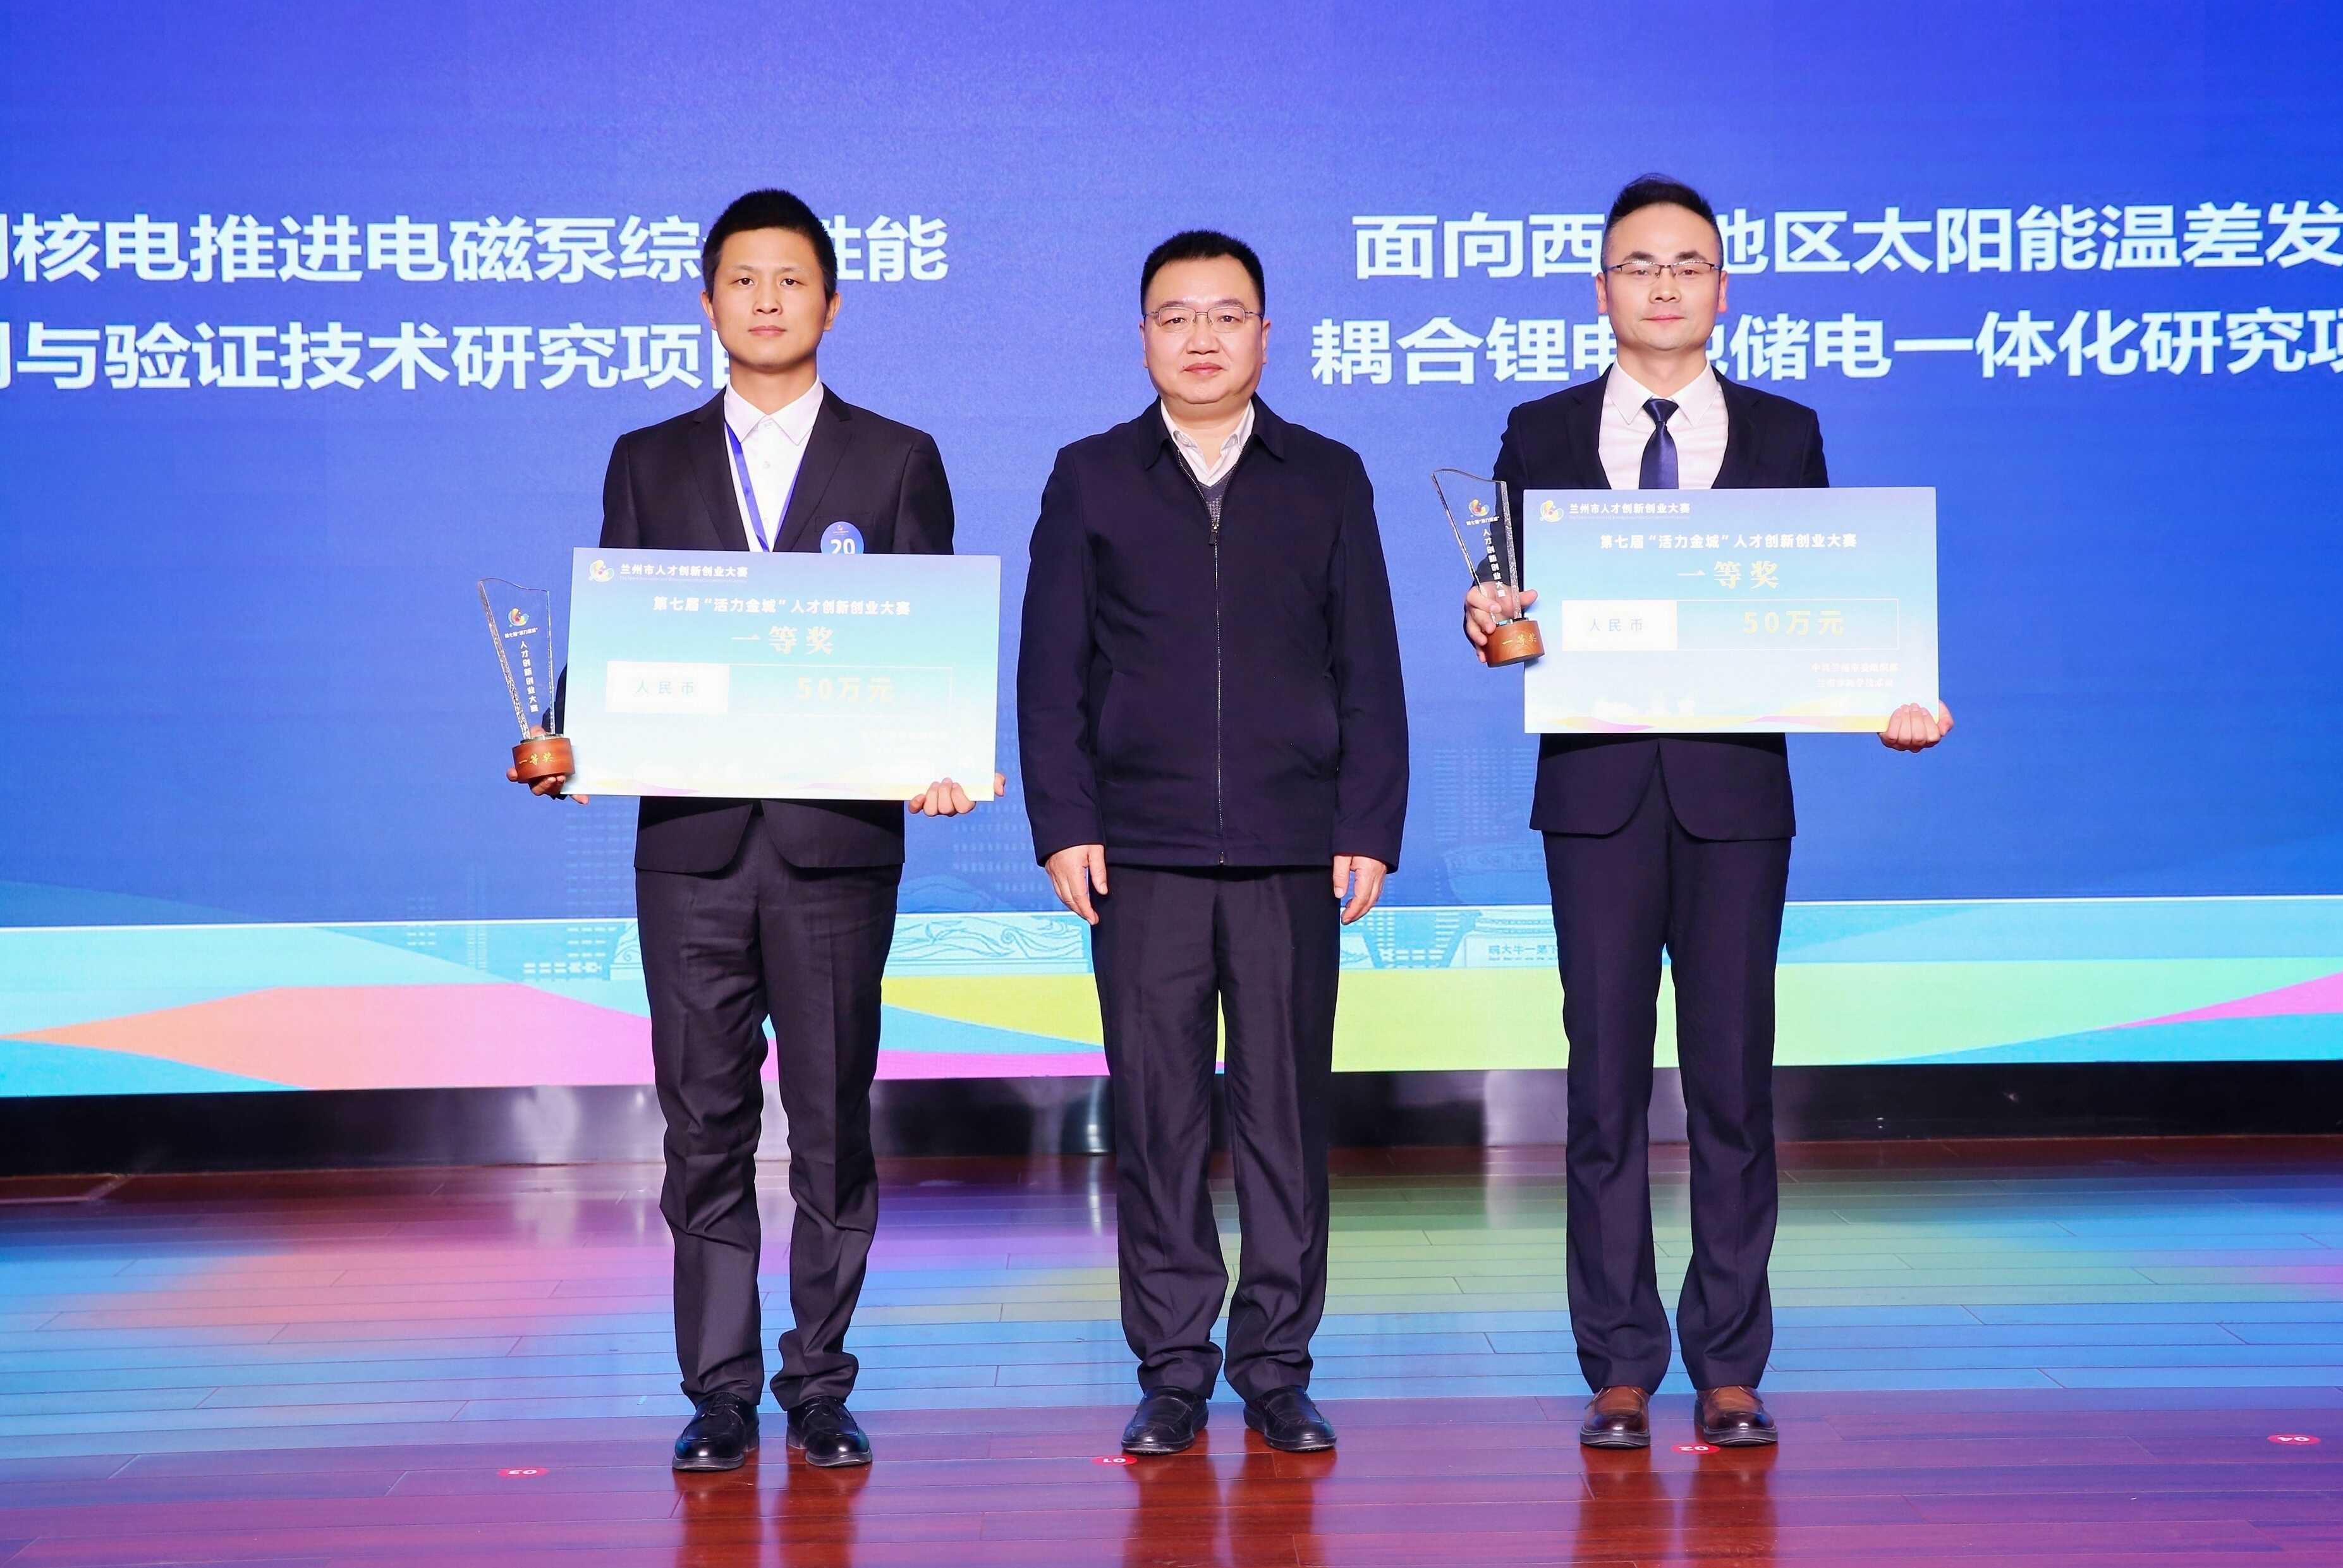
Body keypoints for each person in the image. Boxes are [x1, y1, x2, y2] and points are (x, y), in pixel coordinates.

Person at [1463, 174, 1952, 1451]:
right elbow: (1505, 616)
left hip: (1736, 798)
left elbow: (1829, 612)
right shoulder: (1539, 431)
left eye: (1688, 264)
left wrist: (1888, 697)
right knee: (1603, 1087)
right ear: (1601, 290)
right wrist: (1488, 620)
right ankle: (1619, 1363)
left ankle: (1729, 1360)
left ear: (1723, 288)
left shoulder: (1786, 433)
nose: (1664, 284)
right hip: (1597, 797)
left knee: (1732, 1083)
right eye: (1639, 265)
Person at [519, 188, 979, 1473]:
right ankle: (718, 1388)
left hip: (836, 850)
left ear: (831, 301)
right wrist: (571, 732)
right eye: (742, 279)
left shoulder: (898, 457)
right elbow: (627, 627)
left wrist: (944, 750)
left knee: (832, 1121)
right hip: (693, 850)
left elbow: (930, 643)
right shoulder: (649, 457)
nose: (767, 300)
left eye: (791, 279)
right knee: (704, 1125)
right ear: (707, 302)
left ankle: (819, 1381)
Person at [1017, 229, 1408, 1457]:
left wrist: (1368, 822)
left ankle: (1277, 1364)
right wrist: (1065, 820)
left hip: (1293, 846)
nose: (1201, 337)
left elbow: (1369, 662)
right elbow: (1049, 672)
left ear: (1265, 336)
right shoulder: (1090, 476)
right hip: (1140, 852)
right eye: (1175, 316)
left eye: (1226, 315)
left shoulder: (1326, 475)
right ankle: (1174, 1367)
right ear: (1142, 337)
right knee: (1160, 1119)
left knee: (1284, 1117)